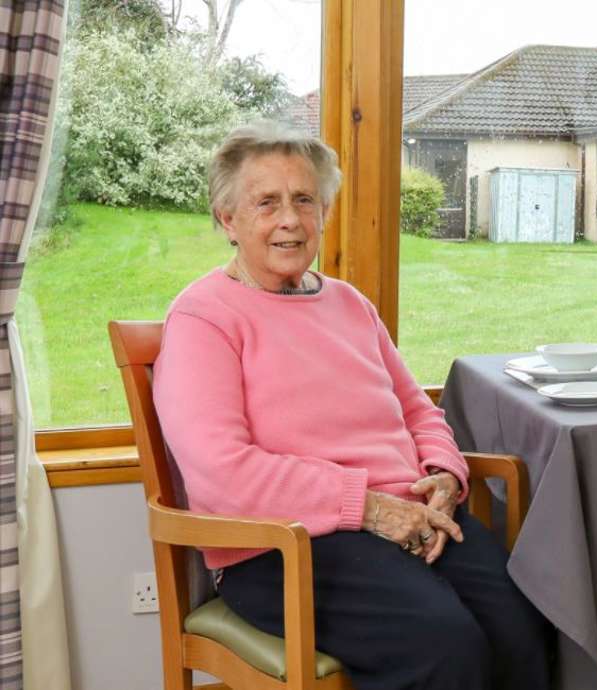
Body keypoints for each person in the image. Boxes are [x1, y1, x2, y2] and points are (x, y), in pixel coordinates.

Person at [152, 121, 552, 690]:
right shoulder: (203, 318)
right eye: (266, 203)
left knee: (523, 624)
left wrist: (443, 477)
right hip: (284, 547)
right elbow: (221, 473)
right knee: (443, 643)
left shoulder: (349, 304)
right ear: (228, 218)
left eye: (304, 200)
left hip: (412, 518)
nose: (289, 219)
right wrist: (370, 510)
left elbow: (417, 411)